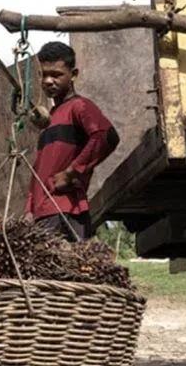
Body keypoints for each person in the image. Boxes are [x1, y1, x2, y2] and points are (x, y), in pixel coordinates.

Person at [24, 41, 120, 241]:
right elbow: (39, 169)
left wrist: (71, 173)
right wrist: (29, 209)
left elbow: (106, 136)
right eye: (44, 74)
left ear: (73, 75)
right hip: (43, 213)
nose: (48, 81)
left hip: (65, 211)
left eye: (56, 74)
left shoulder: (79, 106)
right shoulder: (51, 118)